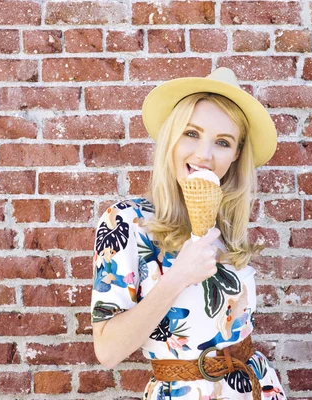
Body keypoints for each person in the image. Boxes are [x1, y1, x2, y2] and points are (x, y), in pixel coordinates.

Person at [91, 67, 286, 400]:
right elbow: (108, 351)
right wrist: (178, 277)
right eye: (192, 134)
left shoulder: (224, 225)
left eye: (222, 142)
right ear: (172, 136)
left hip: (252, 387)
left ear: (236, 154)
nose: (205, 154)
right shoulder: (125, 221)